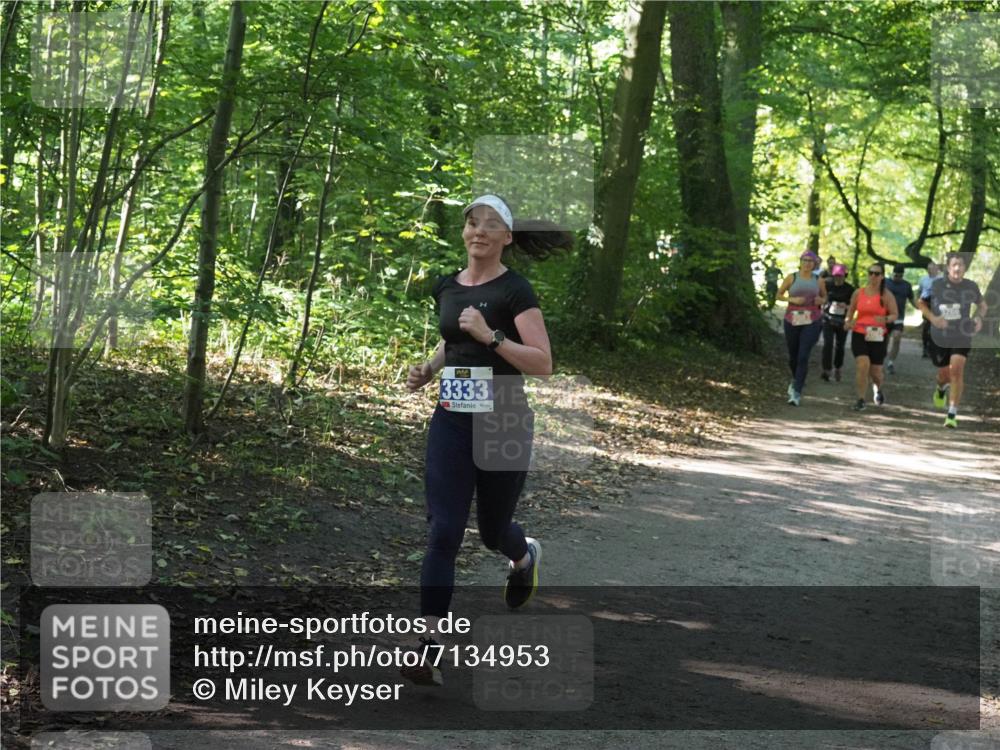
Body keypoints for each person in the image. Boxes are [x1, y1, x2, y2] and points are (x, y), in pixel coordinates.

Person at [402, 194, 572, 685]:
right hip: (452, 420)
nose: (478, 230)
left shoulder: (516, 291)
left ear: (507, 237)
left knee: (493, 532)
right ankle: (427, 646)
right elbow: (451, 340)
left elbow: (543, 363)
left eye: (490, 225)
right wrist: (429, 370)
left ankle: (524, 556)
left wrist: (491, 337)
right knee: (443, 531)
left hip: (504, 421)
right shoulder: (447, 287)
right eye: (471, 223)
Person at [917, 252, 988, 428]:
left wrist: (979, 318)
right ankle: (941, 389)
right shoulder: (936, 285)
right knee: (944, 375)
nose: (957, 268)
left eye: (961, 265)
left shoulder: (971, 286)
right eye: (954, 265)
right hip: (940, 336)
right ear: (948, 268)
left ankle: (952, 414)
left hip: (962, 333)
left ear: (965, 268)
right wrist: (933, 319)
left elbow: (982, 306)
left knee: (956, 370)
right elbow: (921, 303)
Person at [843, 262, 898, 410]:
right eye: (871, 273)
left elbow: (894, 314)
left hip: (878, 336)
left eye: (877, 273)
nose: (873, 276)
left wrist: (885, 319)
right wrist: (848, 321)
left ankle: (878, 388)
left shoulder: (886, 295)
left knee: (876, 372)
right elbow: (851, 310)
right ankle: (861, 399)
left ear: (882, 276)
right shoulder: (858, 293)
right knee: (862, 365)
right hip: (860, 333)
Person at [777, 250, 827, 406]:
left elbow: (825, 297)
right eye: (804, 260)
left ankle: (797, 392)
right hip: (792, 319)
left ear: (814, 264)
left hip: (812, 320)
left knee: (804, 355)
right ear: (800, 262)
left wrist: (821, 300)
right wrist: (792, 299)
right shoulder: (792, 277)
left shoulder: (818, 280)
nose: (807, 264)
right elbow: (778, 295)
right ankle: (796, 379)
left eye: (810, 261)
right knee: (794, 356)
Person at [821, 263, 854, 382]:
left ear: (845, 275)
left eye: (840, 276)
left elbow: (854, 306)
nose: (838, 278)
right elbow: (821, 297)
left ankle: (838, 368)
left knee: (840, 346)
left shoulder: (850, 289)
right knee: (828, 343)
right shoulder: (827, 285)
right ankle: (826, 370)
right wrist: (825, 304)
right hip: (827, 318)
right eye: (836, 276)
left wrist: (846, 306)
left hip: (842, 320)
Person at [883, 264, 915, 374]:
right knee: (884, 341)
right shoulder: (885, 282)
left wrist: (921, 308)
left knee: (897, 338)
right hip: (885, 316)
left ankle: (890, 363)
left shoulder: (906, 285)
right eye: (896, 275)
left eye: (900, 276)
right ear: (893, 273)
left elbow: (912, 299)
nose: (898, 278)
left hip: (899, 317)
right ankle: (881, 359)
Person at [917, 261, 942, 358]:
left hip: (937, 304)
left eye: (932, 268)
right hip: (926, 303)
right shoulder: (923, 279)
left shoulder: (941, 279)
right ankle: (925, 348)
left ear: (936, 269)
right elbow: (919, 292)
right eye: (928, 269)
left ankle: (935, 348)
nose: (930, 270)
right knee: (927, 326)